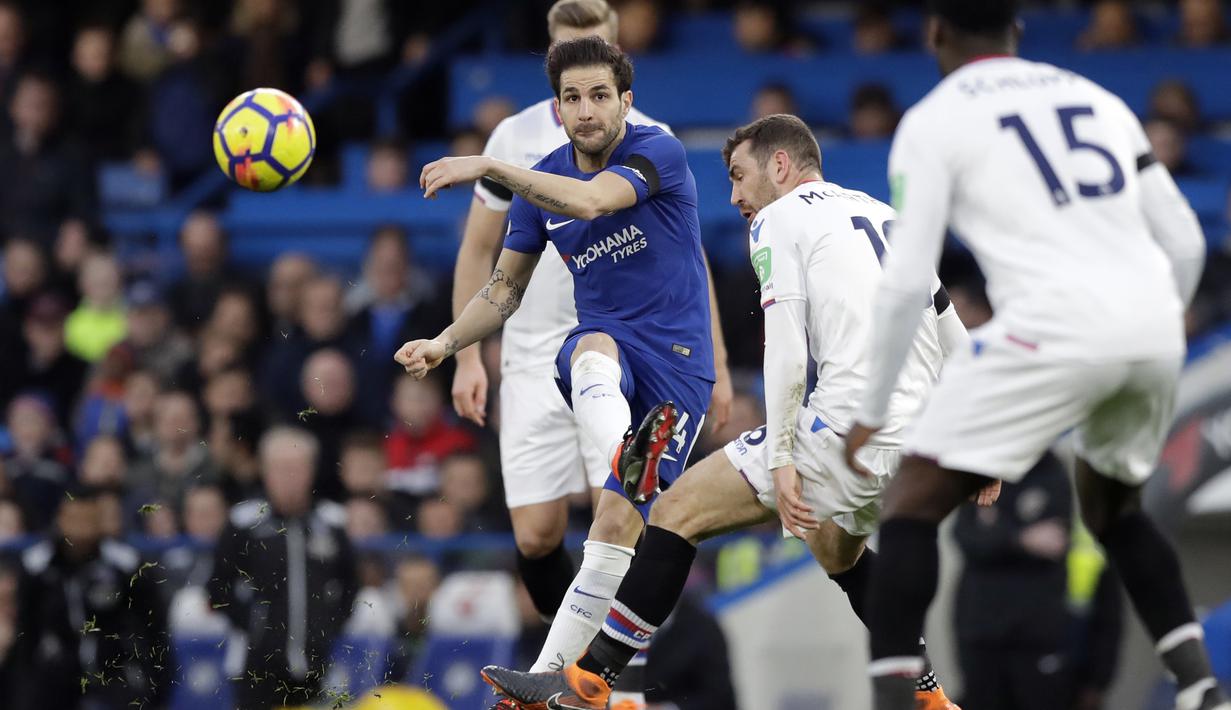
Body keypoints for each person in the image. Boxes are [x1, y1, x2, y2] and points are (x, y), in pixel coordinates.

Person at [478, 114, 969, 710]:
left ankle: (591, 679)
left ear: (781, 166)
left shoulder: (780, 218)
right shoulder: (883, 214)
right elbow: (952, 331)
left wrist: (784, 456)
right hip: (916, 446)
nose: (734, 195)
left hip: (842, 430)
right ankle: (929, 696)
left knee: (674, 509)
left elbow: (786, 348)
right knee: (838, 549)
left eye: (740, 176)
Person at [837, 2, 1226, 709]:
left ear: (935, 32)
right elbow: (1187, 242)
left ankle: (892, 700)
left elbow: (903, 284)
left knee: (912, 502)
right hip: (1151, 325)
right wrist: (1153, 331)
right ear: (1016, 32)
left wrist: (869, 413)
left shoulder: (932, 120)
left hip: (1047, 326)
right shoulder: (1094, 98)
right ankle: (1201, 686)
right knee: (1113, 511)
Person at [400, 33, 723, 710]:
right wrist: (446, 342)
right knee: (587, 345)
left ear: (624, 101)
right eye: (572, 97)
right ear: (557, 106)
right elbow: (504, 292)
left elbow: (588, 203)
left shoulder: (653, 151)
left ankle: (549, 675)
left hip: (677, 369)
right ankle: (622, 448)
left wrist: (491, 167)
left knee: (611, 526)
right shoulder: (540, 178)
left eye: (599, 96)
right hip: (608, 354)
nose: (586, 110)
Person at [207, 426, 358, 709]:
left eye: (297, 468)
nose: (289, 478)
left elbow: (350, 585)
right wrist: (255, 625)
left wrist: (328, 625)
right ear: (264, 471)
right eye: (280, 468)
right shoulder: (244, 523)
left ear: (311, 471)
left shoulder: (331, 523)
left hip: (319, 664)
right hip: (255, 666)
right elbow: (218, 587)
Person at [10, 484, 170, 709]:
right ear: (61, 519)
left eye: (88, 520)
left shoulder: (127, 565)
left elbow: (153, 627)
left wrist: (155, 682)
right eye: (74, 519)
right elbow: (26, 632)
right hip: (56, 671)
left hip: (115, 668)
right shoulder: (36, 566)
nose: (80, 529)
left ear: (99, 521)